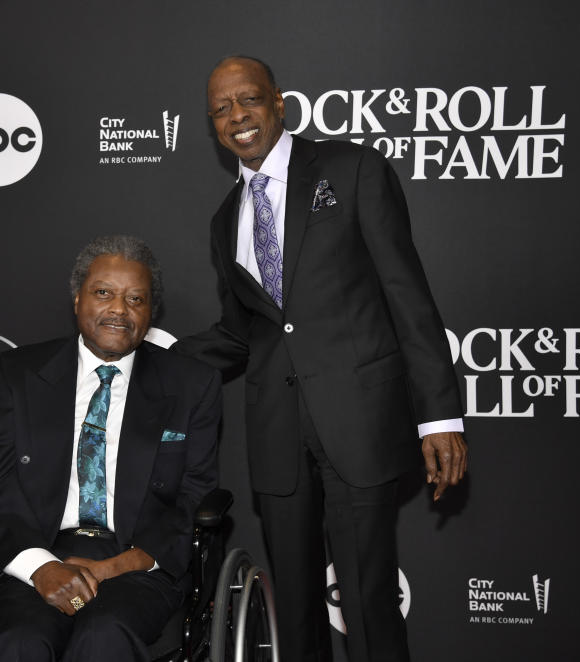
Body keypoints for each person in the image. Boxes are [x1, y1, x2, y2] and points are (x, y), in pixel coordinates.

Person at [174, 56, 468, 662]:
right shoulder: (224, 219)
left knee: (368, 602)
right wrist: (159, 352)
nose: (238, 117)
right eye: (222, 110)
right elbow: (240, 333)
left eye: (248, 100)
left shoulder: (353, 169)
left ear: (279, 103)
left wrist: (439, 416)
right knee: (297, 614)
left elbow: (406, 294)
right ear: (212, 125)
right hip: (279, 435)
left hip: (358, 422)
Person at [0, 235, 222, 662]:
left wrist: (113, 568)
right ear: (77, 299)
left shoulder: (191, 384)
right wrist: (41, 567)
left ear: (150, 312)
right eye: (103, 293)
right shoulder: (21, 374)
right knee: (23, 643)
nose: (118, 310)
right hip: (41, 553)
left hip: (135, 565)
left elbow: (194, 495)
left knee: (102, 636)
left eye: (135, 299)